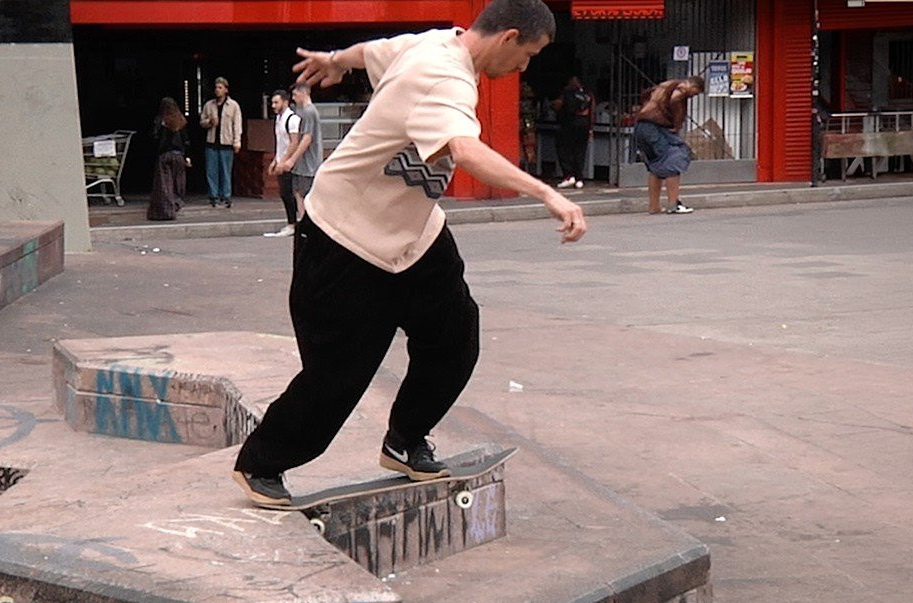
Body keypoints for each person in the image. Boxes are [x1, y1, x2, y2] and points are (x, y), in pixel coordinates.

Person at [231, 0, 587, 507]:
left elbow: (373, 51)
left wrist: (335, 58)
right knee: (340, 370)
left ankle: (404, 440)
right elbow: (464, 150)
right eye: (527, 55)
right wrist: (548, 193)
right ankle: (262, 463)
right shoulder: (445, 79)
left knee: (454, 334)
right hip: (345, 237)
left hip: (415, 237)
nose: (523, 69)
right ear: (508, 37)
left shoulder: (433, 40)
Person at [633, 76, 704, 214]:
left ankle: (654, 206)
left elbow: (646, 94)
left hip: (641, 126)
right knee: (675, 159)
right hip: (656, 128)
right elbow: (674, 98)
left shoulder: (664, 85)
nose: (693, 96)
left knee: (655, 166)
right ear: (693, 86)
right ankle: (673, 204)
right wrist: (675, 124)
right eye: (695, 93)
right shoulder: (680, 90)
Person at [271, 83, 321, 221]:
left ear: (304, 93)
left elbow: (307, 138)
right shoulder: (300, 112)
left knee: (304, 195)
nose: (293, 98)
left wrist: (291, 159)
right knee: (297, 193)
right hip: (301, 164)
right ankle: (302, 223)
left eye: (295, 95)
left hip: (308, 163)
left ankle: (307, 224)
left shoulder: (310, 112)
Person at [199, 76, 242, 208]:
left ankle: (226, 196)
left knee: (225, 171)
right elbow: (202, 122)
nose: (217, 90)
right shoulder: (209, 105)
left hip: (226, 142)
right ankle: (213, 196)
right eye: (216, 87)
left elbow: (237, 125)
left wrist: (237, 141)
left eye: (220, 88)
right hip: (211, 142)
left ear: (226, 90)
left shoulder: (233, 105)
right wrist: (209, 122)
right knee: (211, 171)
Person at [264, 89, 301, 237]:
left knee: (290, 193)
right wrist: (275, 160)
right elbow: (281, 143)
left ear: (285, 102)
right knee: (285, 193)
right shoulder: (279, 119)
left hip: (290, 163)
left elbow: (294, 142)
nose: (273, 105)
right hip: (281, 159)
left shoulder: (292, 119)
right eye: (272, 102)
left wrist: (284, 160)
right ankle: (291, 222)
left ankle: (293, 223)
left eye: (276, 102)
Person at [147, 98, 191, 221]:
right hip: (178, 155)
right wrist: (187, 156)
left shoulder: (160, 121)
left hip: (165, 155)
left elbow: (155, 138)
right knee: (178, 183)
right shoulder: (181, 121)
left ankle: (166, 210)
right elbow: (186, 141)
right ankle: (177, 203)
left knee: (165, 184)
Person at [552, 75, 593, 189]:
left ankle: (568, 175)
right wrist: (590, 128)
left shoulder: (567, 92)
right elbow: (592, 111)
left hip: (568, 124)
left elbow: (557, 105)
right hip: (584, 125)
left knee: (564, 149)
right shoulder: (588, 95)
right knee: (580, 151)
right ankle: (579, 178)